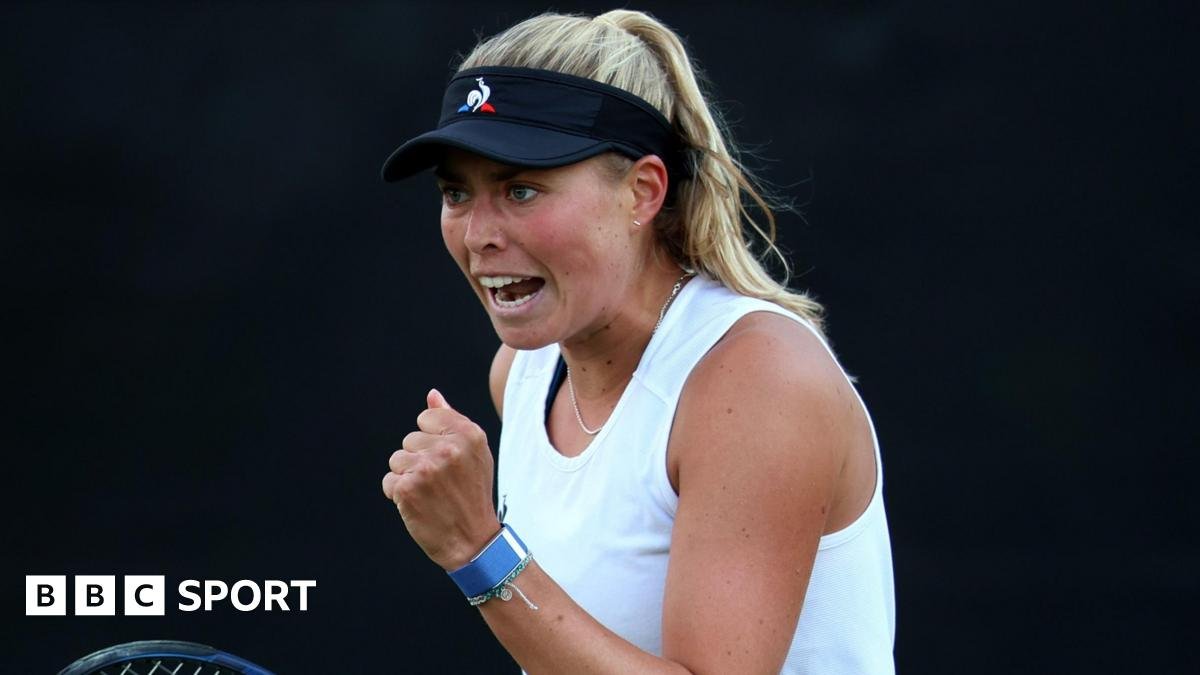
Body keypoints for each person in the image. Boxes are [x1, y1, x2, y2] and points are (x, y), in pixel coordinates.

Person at [379, 9, 894, 674]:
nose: (479, 235)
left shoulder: (758, 382)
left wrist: (479, 549)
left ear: (643, 192)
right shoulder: (523, 373)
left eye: (521, 190)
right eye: (456, 193)